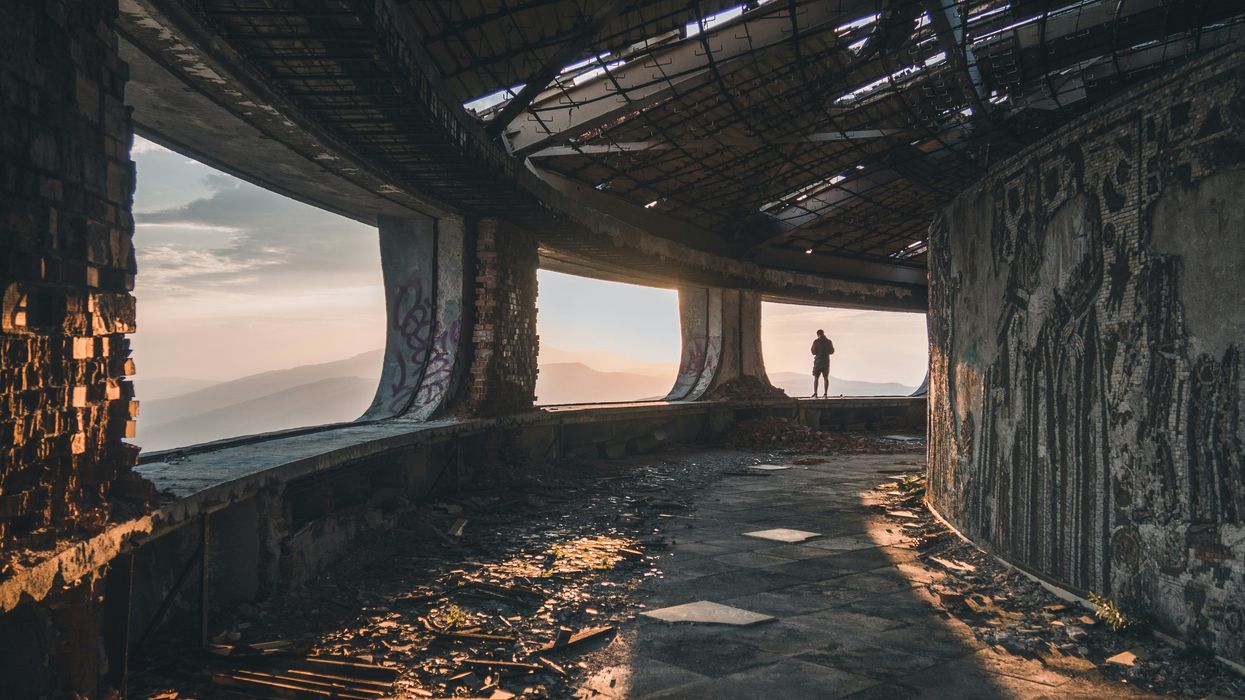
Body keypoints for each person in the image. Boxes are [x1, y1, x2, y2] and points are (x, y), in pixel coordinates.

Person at [810, 329, 834, 398]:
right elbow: (832, 351)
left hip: (818, 362)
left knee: (816, 378)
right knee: (826, 378)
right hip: (826, 362)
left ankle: (815, 394)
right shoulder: (829, 341)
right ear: (823, 333)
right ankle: (825, 394)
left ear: (818, 334)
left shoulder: (816, 341)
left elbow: (813, 352)